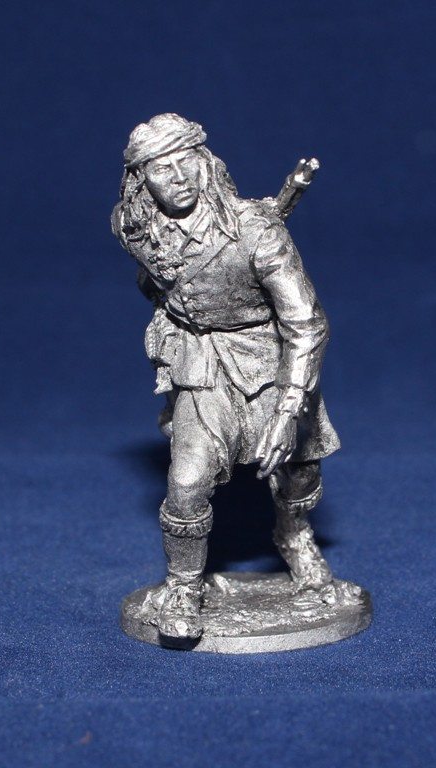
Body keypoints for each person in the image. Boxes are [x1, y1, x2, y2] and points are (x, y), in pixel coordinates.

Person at [111, 113, 340, 641]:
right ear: (140, 181)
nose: (178, 178)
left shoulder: (256, 229)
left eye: (186, 161)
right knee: (186, 483)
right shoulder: (132, 228)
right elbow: (155, 280)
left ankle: (294, 535)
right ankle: (183, 586)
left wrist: (289, 408)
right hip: (200, 362)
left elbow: (307, 323)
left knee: (300, 471)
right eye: (160, 169)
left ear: (206, 162)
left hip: (268, 360)